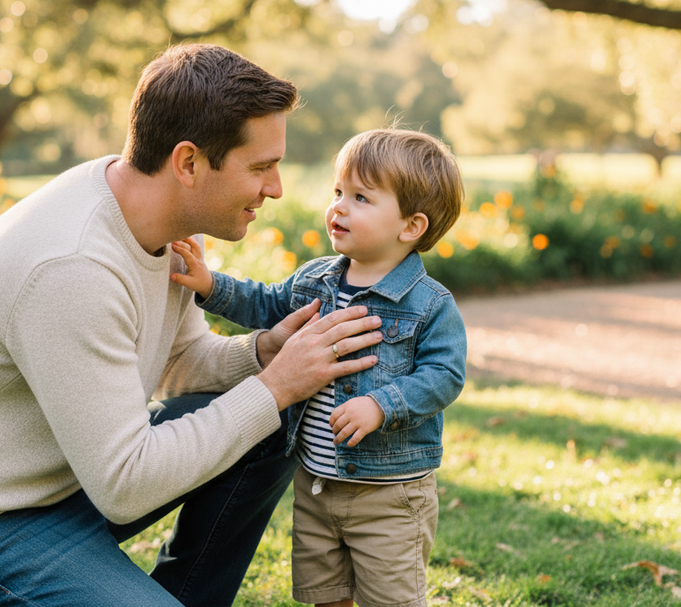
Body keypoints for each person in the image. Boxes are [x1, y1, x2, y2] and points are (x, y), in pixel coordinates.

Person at [0, 44, 386, 607]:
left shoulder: (165, 217)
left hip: (67, 480)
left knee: (276, 418)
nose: (276, 187)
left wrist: (266, 353)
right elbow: (126, 486)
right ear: (188, 163)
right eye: (260, 167)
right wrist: (274, 385)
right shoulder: (73, 266)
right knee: (270, 402)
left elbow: (178, 363)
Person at [170, 128, 467, 607]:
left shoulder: (429, 304)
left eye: (361, 198)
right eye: (338, 192)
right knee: (325, 594)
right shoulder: (316, 280)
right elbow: (265, 303)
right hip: (316, 484)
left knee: (390, 598)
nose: (339, 207)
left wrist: (381, 405)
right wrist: (209, 284)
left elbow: (444, 376)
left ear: (411, 226)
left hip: (389, 496)